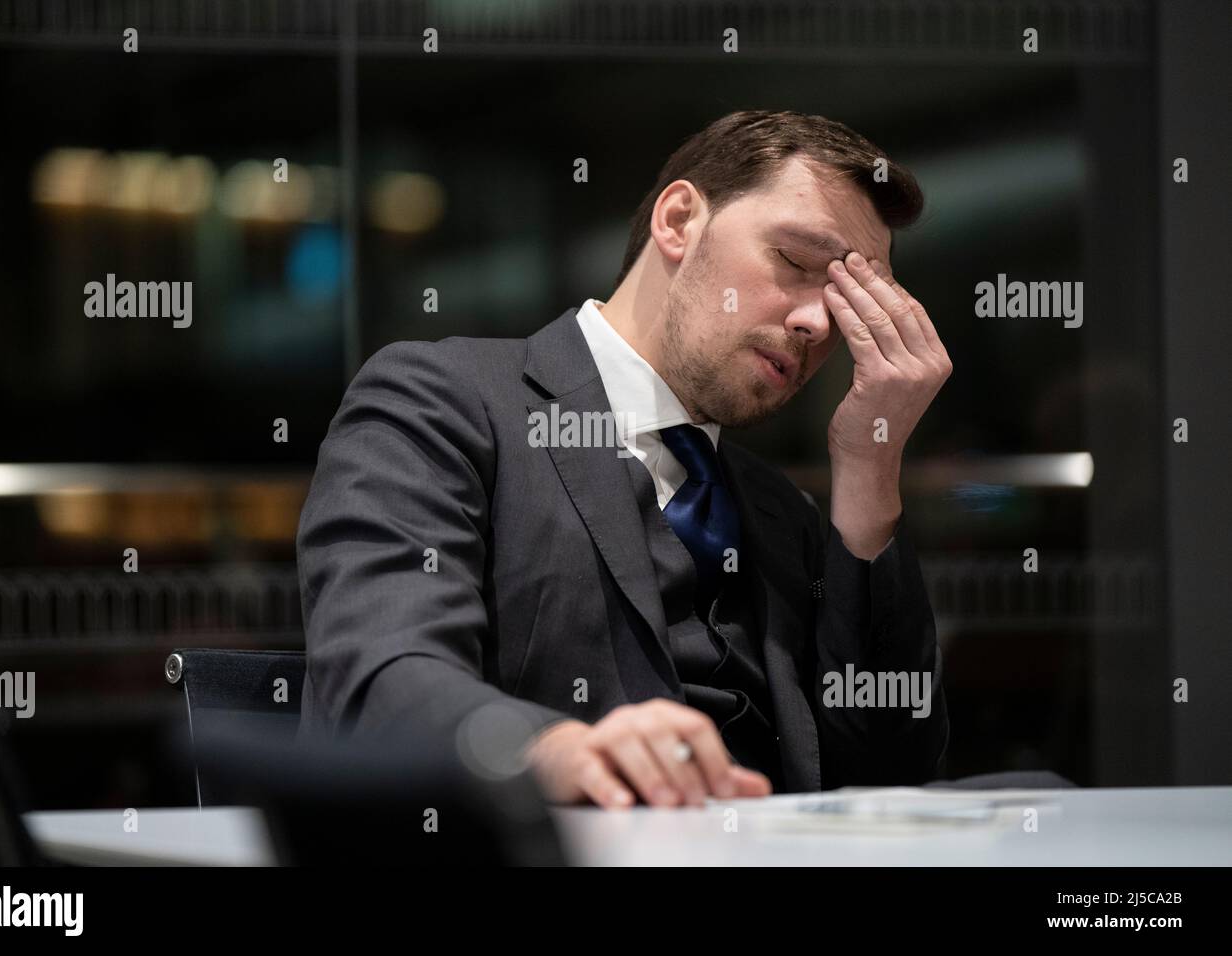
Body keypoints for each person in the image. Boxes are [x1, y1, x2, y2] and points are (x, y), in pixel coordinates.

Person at [297, 110, 952, 809]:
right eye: (795, 262)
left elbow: (893, 780)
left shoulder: (781, 512)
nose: (818, 323)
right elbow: (382, 675)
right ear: (677, 220)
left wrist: (869, 468)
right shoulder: (442, 404)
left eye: (849, 299)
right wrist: (554, 751)